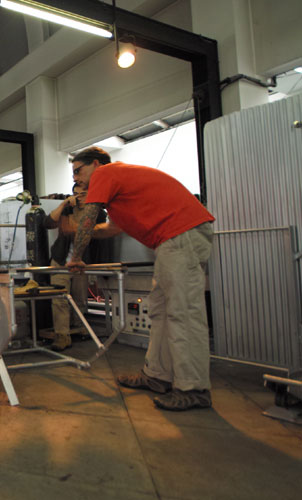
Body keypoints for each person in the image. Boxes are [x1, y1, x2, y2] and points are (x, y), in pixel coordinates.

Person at [66, 146, 214, 411]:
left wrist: (76, 256)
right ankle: (157, 375)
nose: (76, 178)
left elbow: (89, 217)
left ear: (96, 164)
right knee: (160, 311)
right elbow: (110, 229)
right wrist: (77, 233)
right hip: (172, 241)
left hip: (180, 235)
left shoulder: (106, 173)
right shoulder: (118, 192)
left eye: (78, 171)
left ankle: (194, 389)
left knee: (183, 314)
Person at [44, 184, 112, 351]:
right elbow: (48, 223)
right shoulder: (67, 209)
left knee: (80, 299)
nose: (79, 196)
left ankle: (78, 328)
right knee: (59, 298)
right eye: (76, 193)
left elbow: (92, 234)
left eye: (83, 193)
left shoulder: (98, 213)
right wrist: (63, 204)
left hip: (81, 261)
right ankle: (62, 335)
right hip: (61, 260)